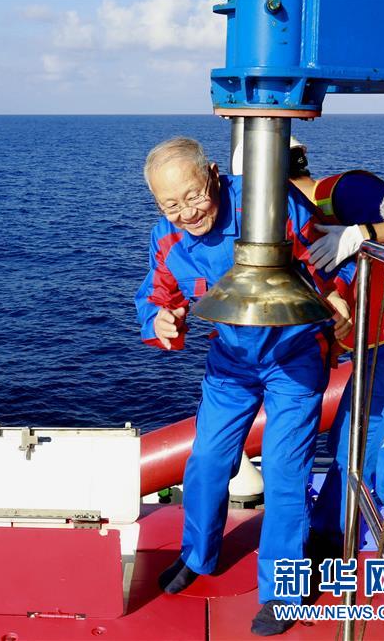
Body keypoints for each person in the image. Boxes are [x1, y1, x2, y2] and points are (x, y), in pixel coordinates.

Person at [135, 137, 353, 636]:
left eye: (194, 196)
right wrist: (160, 320)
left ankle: (283, 592)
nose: (187, 213)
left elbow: (327, 261)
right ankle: (198, 554)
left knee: (284, 471)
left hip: (294, 357)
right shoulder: (166, 237)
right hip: (231, 362)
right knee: (208, 459)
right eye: (171, 205)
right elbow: (155, 295)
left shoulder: (271, 204)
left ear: (214, 174)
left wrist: (340, 299)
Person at [283, 149, 384, 590]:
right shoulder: (291, 224)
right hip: (374, 349)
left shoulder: (346, 192)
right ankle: (327, 544)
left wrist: (360, 235)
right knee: (348, 448)